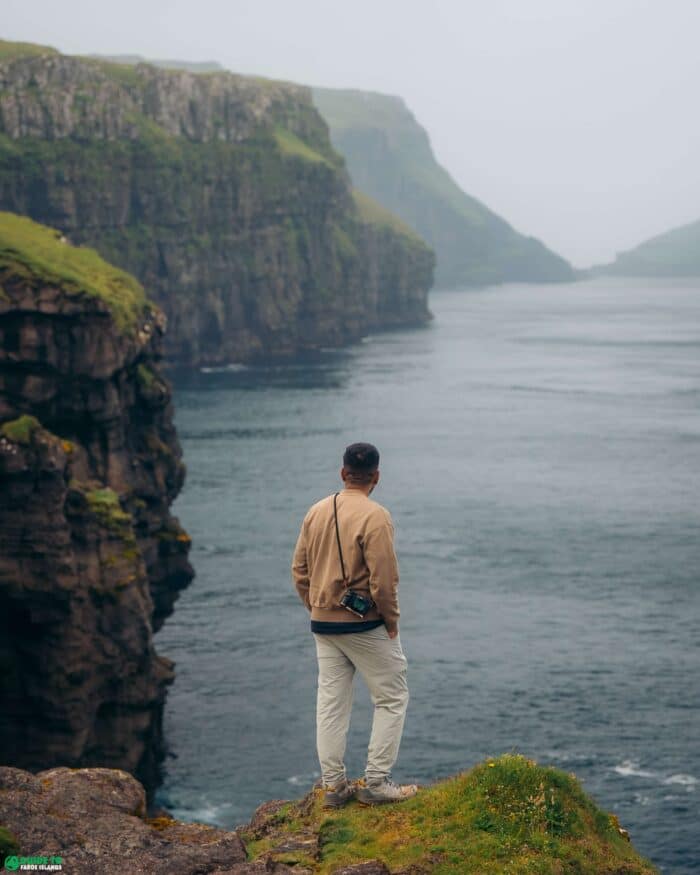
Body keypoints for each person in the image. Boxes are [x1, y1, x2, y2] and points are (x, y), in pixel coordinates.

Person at [291, 441, 417, 807]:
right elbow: (383, 582)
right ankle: (376, 783)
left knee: (331, 703)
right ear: (376, 476)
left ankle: (334, 787)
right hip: (364, 626)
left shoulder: (316, 510)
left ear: (343, 472)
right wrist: (391, 622)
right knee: (392, 697)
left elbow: (299, 570)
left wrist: (316, 606)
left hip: (323, 623)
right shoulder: (376, 516)